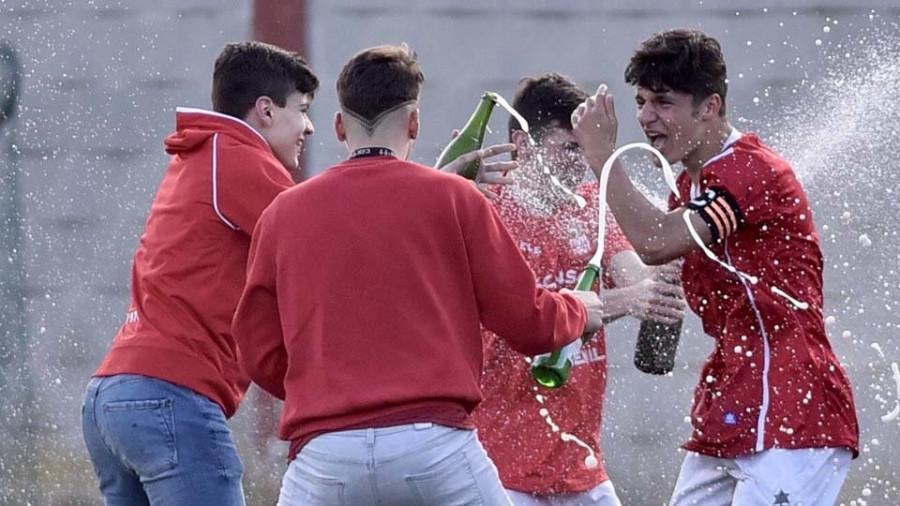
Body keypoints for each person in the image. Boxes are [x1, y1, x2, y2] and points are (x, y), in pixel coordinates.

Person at [231, 44, 614, 505]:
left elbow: (257, 349)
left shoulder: (282, 213)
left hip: (324, 454)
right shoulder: (454, 198)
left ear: (338, 125)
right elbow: (527, 320)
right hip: (433, 447)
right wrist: (579, 309)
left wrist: (318, 387)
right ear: (414, 123)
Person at [571, 28, 859, 505]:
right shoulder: (686, 188)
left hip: (793, 410)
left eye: (663, 102)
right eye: (641, 101)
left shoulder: (752, 170)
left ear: (710, 107)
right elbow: (659, 257)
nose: (645, 117)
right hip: (735, 403)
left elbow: (656, 242)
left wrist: (601, 156)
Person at [80, 41, 319, 505]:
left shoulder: (200, 154)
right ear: (265, 111)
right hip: (169, 398)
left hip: (111, 398)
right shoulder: (238, 158)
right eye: (302, 110)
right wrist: (421, 193)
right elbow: (330, 243)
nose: (308, 126)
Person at [471, 73, 685, 506]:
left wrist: (666, 265)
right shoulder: (487, 210)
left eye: (585, 150)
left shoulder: (593, 205)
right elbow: (525, 316)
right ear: (522, 142)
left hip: (581, 465)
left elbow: (636, 277)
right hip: (500, 467)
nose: (580, 163)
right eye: (569, 148)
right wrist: (628, 300)